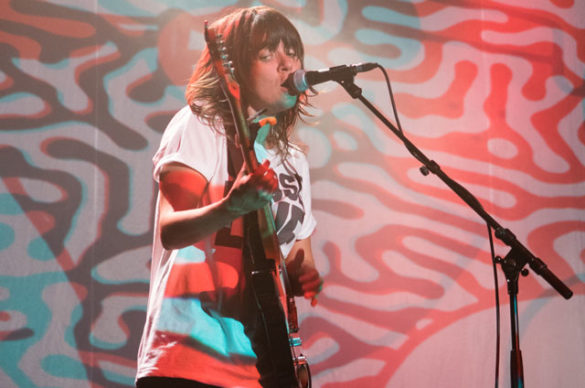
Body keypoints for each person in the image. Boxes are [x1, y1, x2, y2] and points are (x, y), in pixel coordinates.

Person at [136, 6, 323, 388]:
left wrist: (305, 277)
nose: (287, 66)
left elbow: (297, 259)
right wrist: (231, 206)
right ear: (235, 68)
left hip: (266, 364)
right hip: (191, 355)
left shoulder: (295, 159)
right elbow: (171, 231)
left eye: (293, 53)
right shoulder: (201, 125)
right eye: (268, 55)